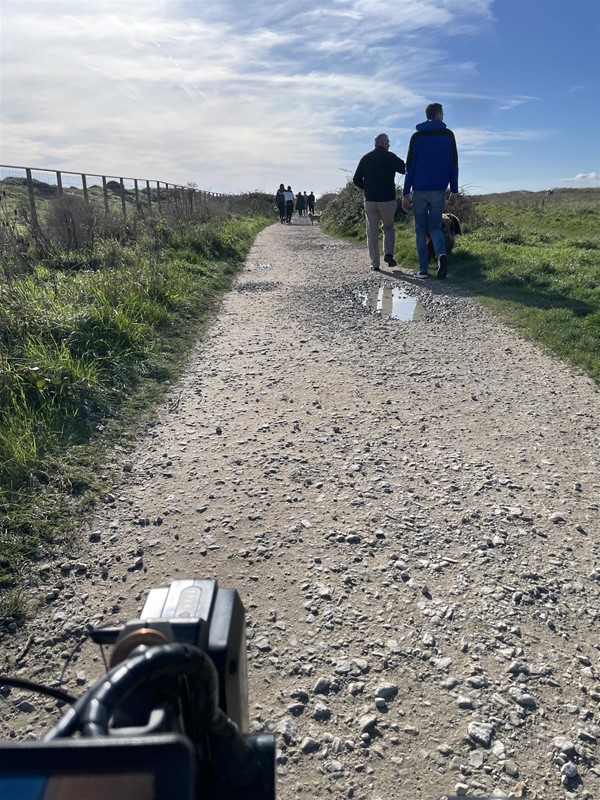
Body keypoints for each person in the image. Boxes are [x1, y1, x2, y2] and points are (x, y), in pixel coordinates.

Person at [401, 102, 459, 280]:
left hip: (419, 190)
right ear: (439, 114)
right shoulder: (448, 135)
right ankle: (441, 254)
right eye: (443, 113)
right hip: (438, 190)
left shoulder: (417, 137)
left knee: (420, 230)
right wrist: (454, 190)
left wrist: (405, 193)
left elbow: (410, 166)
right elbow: (453, 164)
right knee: (434, 226)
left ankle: (423, 270)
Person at [353, 133, 405, 271]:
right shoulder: (390, 157)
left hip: (370, 200)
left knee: (372, 232)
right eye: (388, 142)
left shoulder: (366, 158)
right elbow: (404, 168)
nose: (389, 145)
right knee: (388, 228)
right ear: (382, 143)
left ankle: (374, 264)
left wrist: (368, 188)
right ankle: (388, 254)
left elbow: (356, 180)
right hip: (387, 199)